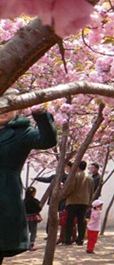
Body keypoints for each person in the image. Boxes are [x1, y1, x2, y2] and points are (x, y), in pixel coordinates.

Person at [0, 107, 57, 264]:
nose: (2, 110)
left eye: (8, 106)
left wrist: (40, 114)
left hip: (4, 195)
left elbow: (47, 140)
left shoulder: (22, 132)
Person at [61, 160, 93, 246]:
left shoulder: (74, 176)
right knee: (81, 221)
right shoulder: (90, 177)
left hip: (73, 201)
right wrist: (89, 202)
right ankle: (80, 239)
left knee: (70, 221)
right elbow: (91, 191)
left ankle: (68, 239)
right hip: (84, 202)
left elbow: (70, 188)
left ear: (78, 166)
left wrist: (64, 195)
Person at [24, 187, 42, 252]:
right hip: (33, 218)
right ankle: (31, 245)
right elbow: (39, 208)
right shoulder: (35, 201)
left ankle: (25, 244)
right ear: (33, 193)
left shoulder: (24, 201)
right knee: (33, 232)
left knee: (26, 231)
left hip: (25, 218)